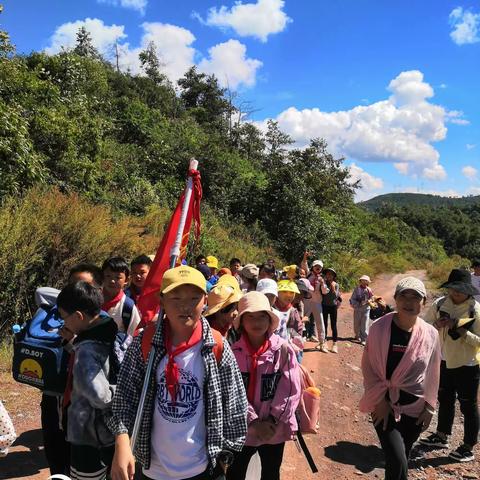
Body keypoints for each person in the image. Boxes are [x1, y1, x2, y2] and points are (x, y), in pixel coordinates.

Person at [109, 265, 248, 480]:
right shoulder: (145, 342)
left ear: (205, 301)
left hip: (200, 468)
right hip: (150, 468)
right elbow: (124, 398)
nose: (185, 306)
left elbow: (235, 403)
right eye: (176, 298)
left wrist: (226, 455)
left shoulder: (216, 345)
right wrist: (122, 441)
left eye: (194, 298)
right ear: (162, 300)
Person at [359, 277, 441, 480]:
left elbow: (433, 371)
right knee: (398, 459)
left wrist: (430, 406)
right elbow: (368, 367)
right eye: (404, 296)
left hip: (415, 407)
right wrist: (379, 401)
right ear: (395, 299)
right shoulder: (379, 328)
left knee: (401, 459)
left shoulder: (430, 334)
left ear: (423, 303)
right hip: (383, 405)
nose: (409, 302)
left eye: (416, 297)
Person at [35, 263, 103, 476]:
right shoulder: (60, 312)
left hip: (84, 403)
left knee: (81, 459)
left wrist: (73, 341)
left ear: (97, 290)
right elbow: (40, 291)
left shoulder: (103, 320)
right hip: (54, 393)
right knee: (54, 448)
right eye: (72, 285)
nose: (76, 289)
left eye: (83, 285)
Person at [228, 292, 301, 480]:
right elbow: (232, 393)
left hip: (274, 430)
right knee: (235, 472)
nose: (256, 321)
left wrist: (273, 421)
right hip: (243, 428)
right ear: (241, 321)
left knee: (271, 472)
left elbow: (291, 389)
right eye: (250, 316)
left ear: (270, 320)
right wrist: (252, 421)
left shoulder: (282, 350)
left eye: (262, 316)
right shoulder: (232, 353)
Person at [57, 281, 118, 480]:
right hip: (105, 432)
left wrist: (119, 392)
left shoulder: (87, 350)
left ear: (78, 316)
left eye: (63, 317)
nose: (62, 322)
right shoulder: (106, 330)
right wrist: (72, 343)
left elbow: (98, 395)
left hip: (87, 433)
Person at [419, 269, 480, 462]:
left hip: (467, 364)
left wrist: (462, 332)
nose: (455, 294)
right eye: (453, 289)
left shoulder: (475, 311)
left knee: (468, 406)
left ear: (468, 291)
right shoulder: (439, 304)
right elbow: (424, 326)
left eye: (459, 291)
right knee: (444, 399)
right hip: (443, 360)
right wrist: (436, 325)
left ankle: (468, 446)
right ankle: (442, 435)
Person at [102, 257, 141, 337]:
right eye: (108, 276)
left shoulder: (127, 306)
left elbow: (135, 335)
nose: (112, 281)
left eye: (118, 278)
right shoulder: (92, 299)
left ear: (126, 280)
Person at [305, 260, 329, 353]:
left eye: (320, 266)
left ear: (321, 268)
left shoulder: (322, 279)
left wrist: (322, 283)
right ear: (313, 266)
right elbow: (304, 264)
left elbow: (325, 292)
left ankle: (322, 343)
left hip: (317, 302)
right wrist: (305, 257)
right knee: (302, 320)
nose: (318, 267)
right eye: (316, 266)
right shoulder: (308, 274)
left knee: (320, 322)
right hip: (306, 301)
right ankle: (297, 341)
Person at [322, 268, 341, 354]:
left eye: (331, 274)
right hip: (324, 306)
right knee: (324, 324)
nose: (329, 275)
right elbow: (321, 294)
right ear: (325, 275)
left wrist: (333, 287)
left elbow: (335, 296)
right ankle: (324, 342)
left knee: (333, 325)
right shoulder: (323, 283)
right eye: (328, 274)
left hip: (333, 307)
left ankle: (335, 344)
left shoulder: (336, 284)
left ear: (334, 276)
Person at [350, 275, 373, 345]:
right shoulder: (357, 289)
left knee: (365, 324)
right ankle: (357, 335)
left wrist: (369, 301)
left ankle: (364, 338)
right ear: (360, 281)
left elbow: (372, 298)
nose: (364, 282)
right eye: (363, 280)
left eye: (366, 281)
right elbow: (352, 299)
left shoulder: (369, 290)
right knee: (356, 324)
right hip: (358, 309)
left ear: (368, 282)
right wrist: (358, 303)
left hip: (366, 309)